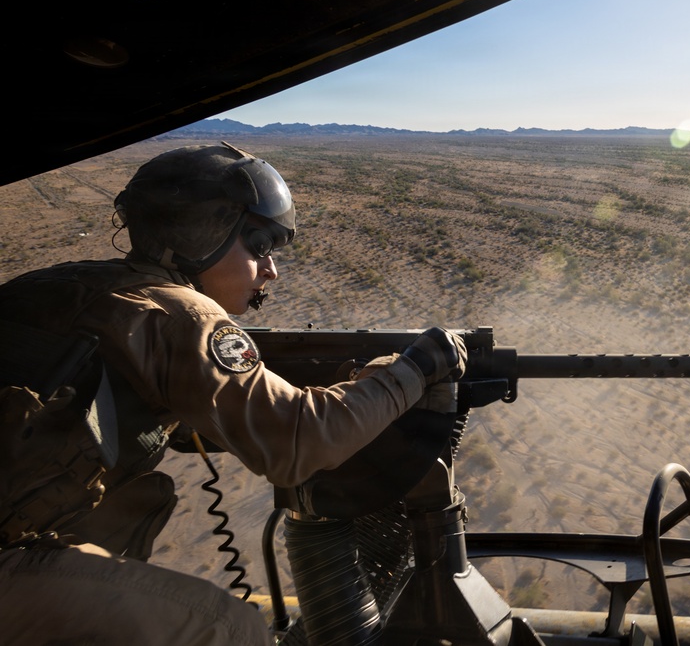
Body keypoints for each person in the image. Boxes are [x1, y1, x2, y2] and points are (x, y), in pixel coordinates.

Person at [0, 142, 466, 645]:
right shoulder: (179, 313)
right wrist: (416, 368)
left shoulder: (69, 284)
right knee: (230, 628)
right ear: (204, 235)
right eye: (259, 246)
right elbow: (297, 442)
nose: (271, 271)